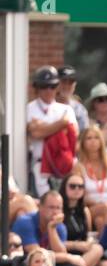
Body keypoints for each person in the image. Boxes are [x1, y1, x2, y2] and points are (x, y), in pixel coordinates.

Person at [26, 65, 77, 195]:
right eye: (44, 87)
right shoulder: (29, 108)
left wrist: (43, 126)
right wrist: (61, 124)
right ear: (37, 88)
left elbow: (74, 134)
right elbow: (35, 133)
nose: (49, 90)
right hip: (40, 167)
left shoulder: (66, 109)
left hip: (63, 166)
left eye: (52, 86)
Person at [59, 174, 107, 266]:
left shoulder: (84, 211)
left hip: (83, 252)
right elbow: (53, 241)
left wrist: (88, 243)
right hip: (65, 251)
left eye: (80, 187)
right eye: (72, 186)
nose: (77, 190)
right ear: (64, 187)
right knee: (98, 249)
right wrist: (76, 245)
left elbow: (87, 234)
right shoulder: (58, 210)